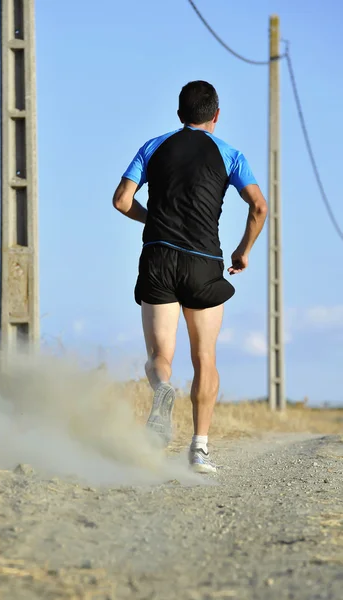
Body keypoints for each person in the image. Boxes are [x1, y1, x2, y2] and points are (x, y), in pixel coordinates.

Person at [112, 81, 267, 473]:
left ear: (180, 115)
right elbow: (259, 207)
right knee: (204, 358)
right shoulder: (230, 155)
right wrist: (242, 251)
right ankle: (199, 449)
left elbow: (121, 200)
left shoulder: (153, 146)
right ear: (216, 115)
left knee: (160, 356)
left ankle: (163, 390)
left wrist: (153, 220)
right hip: (203, 263)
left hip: (158, 258)